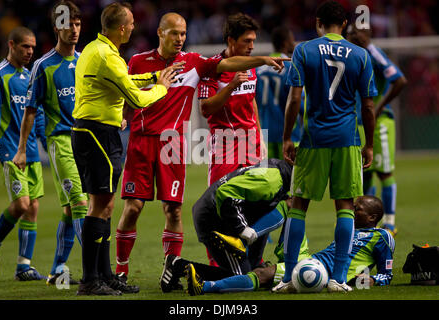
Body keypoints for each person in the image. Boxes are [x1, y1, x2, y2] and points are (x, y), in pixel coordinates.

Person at [115, 11, 289, 284]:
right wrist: (122, 115)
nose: (181, 39)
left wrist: (265, 60)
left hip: (176, 143)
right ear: (160, 33)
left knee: (174, 211)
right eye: (175, 33)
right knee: (134, 207)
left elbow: (235, 74)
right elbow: (126, 92)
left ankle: (172, 269)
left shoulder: (194, 62)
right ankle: (121, 270)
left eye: (184, 34)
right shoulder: (138, 62)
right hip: (146, 142)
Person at [71, 2, 179, 296]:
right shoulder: (108, 57)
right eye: (131, 23)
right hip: (98, 135)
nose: (134, 27)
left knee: (105, 206)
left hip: (91, 131)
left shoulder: (95, 49)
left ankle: (105, 276)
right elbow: (138, 100)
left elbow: (125, 81)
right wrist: (163, 87)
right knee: (99, 206)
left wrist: (153, 77)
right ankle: (90, 280)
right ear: (121, 28)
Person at [279, 0, 377, 293]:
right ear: (345, 24)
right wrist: (369, 144)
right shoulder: (360, 54)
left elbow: (294, 99)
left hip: (313, 139)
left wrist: (287, 137)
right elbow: (368, 106)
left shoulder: (304, 50)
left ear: (318, 23)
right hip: (347, 139)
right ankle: (338, 279)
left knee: (298, 206)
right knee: (345, 206)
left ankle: (287, 279)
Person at [178, 195, 395, 295]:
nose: (352, 209)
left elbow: (386, 276)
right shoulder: (350, 229)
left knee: (262, 274)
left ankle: (205, 286)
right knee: (290, 206)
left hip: (320, 272)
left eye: (357, 209)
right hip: (312, 257)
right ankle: (245, 239)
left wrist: (360, 281)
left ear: (372, 217)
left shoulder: (383, 236)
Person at [13, 0, 85, 286]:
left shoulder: (84, 61)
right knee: (81, 204)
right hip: (61, 142)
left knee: (69, 209)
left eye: (78, 24)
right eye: (68, 24)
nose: (74, 30)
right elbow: (30, 111)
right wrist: (21, 149)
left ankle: (57, 271)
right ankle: (97, 272)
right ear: (57, 28)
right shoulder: (43, 66)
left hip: (86, 141)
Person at [160, 158, 292, 292]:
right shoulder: (272, 181)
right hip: (213, 218)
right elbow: (226, 194)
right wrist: (241, 228)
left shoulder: (279, 175)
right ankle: (178, 265)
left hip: (222, 214)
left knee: (253, 273)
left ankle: (252, 263)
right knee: (242, 279)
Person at [0, 27, 47, 281]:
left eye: (33, 48)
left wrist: (46, 139)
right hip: (10, 149)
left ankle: (24, 265)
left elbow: (39, 111)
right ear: (11, 45)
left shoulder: (30, 76)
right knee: (22, 204)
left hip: (31, 149)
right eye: (25, 47)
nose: (30, 52)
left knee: (33, 207)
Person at [347, 24, 407, 236]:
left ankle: (389, 223)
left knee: (384, 172)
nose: (352, 37)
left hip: (379, 122)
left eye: (356, 33)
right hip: (359, 121)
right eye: (350, 33)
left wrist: (379, 107)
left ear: (367, 35)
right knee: (366, 173)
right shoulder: (353, 56)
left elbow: (400, 80)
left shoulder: (374, 53)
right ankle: (368, 224)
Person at [197, 13, 267, 187]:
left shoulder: (250, 66)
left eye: (253, 41)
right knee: (219, 200)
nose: (251, 46)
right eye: (246, 41)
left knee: (258, 202)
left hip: (252, 142)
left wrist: (260, 137)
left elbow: (251, 101)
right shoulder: (212, 68)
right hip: (224, 143)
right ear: (231, 40)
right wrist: (231, 86)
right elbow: (205, 109)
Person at [255, 26, 303, 159]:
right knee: (290, 177)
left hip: (264, 133)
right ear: (285, 43)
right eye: (292, 41)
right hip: (288, 134)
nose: (294, 44)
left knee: (267, 176)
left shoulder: (258, 69)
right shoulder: (290, 68)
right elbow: (298, 101)